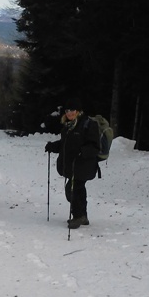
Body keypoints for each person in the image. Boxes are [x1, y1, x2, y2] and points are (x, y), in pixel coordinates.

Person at [45, 97, 100, 229]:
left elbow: (95, 146)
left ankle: (78, 216)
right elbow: (65, 144)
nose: (69, 113)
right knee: (78, 189)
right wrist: (53, 146)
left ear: (78, 111)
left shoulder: (88, 124)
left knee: (72, 189)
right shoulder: (68, 126)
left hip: (84, 165)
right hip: (73, 165)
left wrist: (82, 151)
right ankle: (83, 216)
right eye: (67, 111)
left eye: (72, 110)